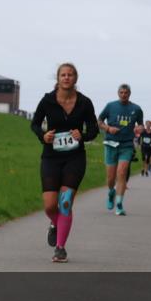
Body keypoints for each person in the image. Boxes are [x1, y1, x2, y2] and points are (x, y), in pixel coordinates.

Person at [30, 63, 99, 263]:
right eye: (63, 75)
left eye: (70, 75)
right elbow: (34, 123)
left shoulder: (85, 102)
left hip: (75, 157)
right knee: (51, 206)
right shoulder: (47, 100)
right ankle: (55, 223)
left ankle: (60, 248)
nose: (66, 78)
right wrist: (44, 136)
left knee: (65, 202)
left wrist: (83, 135)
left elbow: (94, 129)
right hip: (51, 157)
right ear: (58, 78)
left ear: (75, 78)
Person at [97, 84, 144, 216]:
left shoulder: (136, 109)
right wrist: (108, 129)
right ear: (118, 93)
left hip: (127, 145)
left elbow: (141, 124)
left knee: (122, 172)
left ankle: (119, 204)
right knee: (111, 178)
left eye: (126, 92)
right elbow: (99, 120)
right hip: (111, 143)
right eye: (121, 92)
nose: (124, 95)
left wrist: (139, 128)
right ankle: (111, 191)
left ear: (130, 94)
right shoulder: (111, 106)